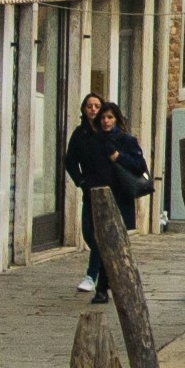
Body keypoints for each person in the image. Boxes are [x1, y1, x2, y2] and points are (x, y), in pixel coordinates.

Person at [60, 97, 152, 302]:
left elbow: (140, 166)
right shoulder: (90, 139)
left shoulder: (126, 140)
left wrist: (118, 157)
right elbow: (76, 162)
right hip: (95, 196)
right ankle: (105, 280)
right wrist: (83, 182)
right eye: (103, 118)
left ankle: (102, 286)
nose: (105, 121)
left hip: (119, 196)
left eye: (109, 117)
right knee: (92, 236)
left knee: (110, 240)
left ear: (116, 119)